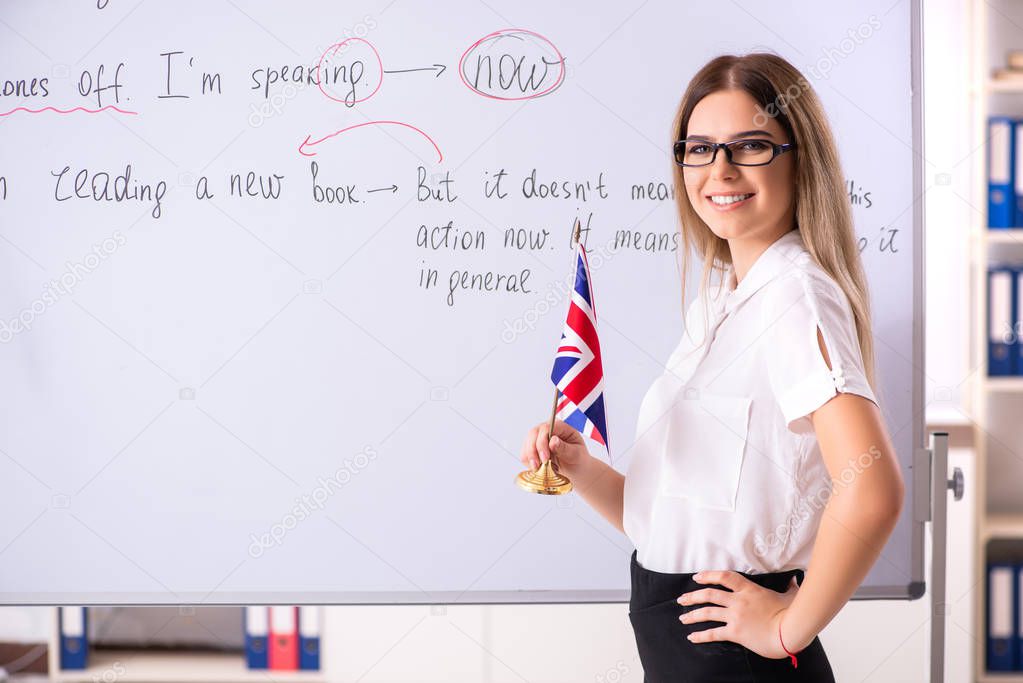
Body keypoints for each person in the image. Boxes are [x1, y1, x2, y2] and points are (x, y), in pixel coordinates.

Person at [520, 52, 905, 681]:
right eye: (699, 149)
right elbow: (681, 524)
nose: (719, 169)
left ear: (798, 158)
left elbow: (874, 489)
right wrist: (582, 471)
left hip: (732, 664)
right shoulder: (719, 301)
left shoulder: (792, 297)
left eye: (750, 146)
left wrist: (789, 627)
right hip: (678, 649)